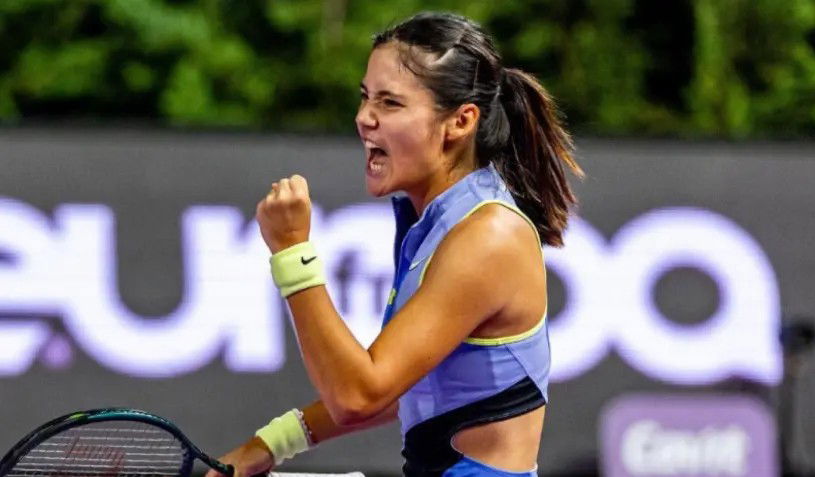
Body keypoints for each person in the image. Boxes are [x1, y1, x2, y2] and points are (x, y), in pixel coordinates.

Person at [206, 11, 583, 477]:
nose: (364, 118)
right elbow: (408, 386)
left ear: (461, 122)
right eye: (366, 98)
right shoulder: (432, 221)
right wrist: (265, 446)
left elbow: (358, 396)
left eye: (390, 103)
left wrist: (291, 253)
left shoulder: (488, 235)